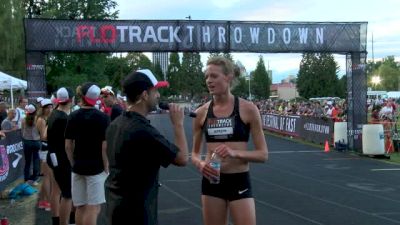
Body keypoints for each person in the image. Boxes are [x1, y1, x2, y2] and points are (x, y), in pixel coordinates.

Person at [105, 69, 189, 225]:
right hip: (136, 213)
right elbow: (182, 158)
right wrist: (178, 124)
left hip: (116, 207)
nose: (158, 95)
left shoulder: (116, 123)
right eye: (155, 90)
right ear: (144, 95)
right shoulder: (143, 130)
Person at [191, 56, 268, 225]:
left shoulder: (248, 109)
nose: (209, 81)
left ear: (229, 77)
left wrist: (234, 153)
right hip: (212, 182)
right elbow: (194, 154)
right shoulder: (201, 113)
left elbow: (263, 155)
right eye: (206, 76)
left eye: (214, 76)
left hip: (239, 179)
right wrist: (201, 164)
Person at [65, 83, 110, 225]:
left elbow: (68, 145)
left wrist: (73, 163)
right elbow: (104, 147)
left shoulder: (72, 116)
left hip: (78, 167)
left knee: (81, 206)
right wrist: (106, 166)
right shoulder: (103, 118)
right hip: (96, 168)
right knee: (94, 207)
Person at [47, 87, 75, 225]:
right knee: (67, 194)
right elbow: (69, 144)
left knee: (57, 190)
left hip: (52, 156)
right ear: (71, 100)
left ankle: (56, 220)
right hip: (62, 159)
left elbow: (46, 136)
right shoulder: (65, 119)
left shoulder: (53, 114)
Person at [36, 98, 53, 211]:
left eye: (50, 107)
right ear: (42, 109)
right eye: (46, 107)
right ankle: (48, 202)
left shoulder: (46, 118)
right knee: (47, 177)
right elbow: (43, 137)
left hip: (46, 148)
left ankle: (42, 201)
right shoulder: (42, 120)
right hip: (44, 148)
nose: (49, 109)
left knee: (47, 176)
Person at [21, 104, 41, 185]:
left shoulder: (23, 119)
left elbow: (22, 130)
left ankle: (26, 179)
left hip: (27, 142)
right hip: (36, 142)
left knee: (28, 161)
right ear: (35, 111)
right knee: (36, 160)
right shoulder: (37, 119)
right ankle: (34, 179)